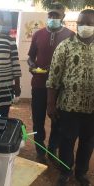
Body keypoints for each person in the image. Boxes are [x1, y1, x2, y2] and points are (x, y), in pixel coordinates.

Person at [47, 9, 94, 186]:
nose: (85, 27)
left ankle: (81, 172)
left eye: (89, 23)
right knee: (67, 140)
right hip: (68, 105)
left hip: (92, 108)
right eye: (81, 23)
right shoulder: (65, 46)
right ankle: (65, 172)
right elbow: (53, 78)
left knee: (88, 142)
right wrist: (51, 104)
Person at [27, 2, 74, 163]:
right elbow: (30, 58)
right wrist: (32, 66)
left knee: (57, 121)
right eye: (50, 15)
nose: (53, 18)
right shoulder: (38, 34)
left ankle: (53, 148)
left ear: (63, 17)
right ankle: (40, 151)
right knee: (38, 120)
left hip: (61, 88)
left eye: (56, 15)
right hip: (39, 84)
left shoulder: (70, 35)